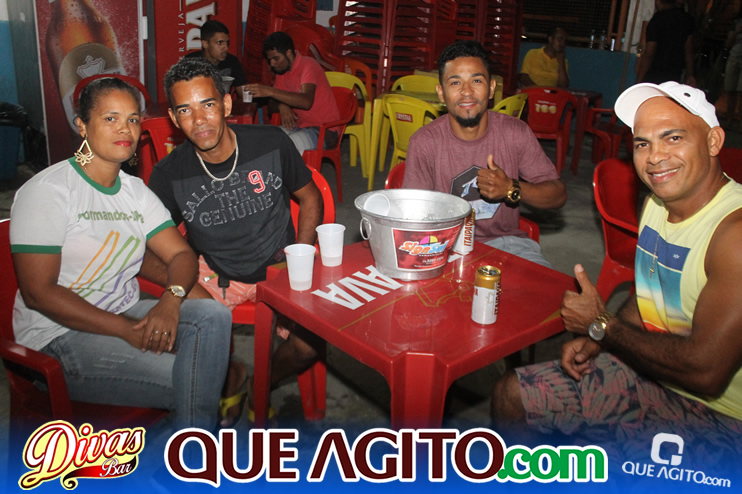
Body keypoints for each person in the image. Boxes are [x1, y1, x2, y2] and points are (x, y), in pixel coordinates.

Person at [491, 81, 742, 461]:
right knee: (513, 395)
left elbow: (706, 372)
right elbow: (651, 293)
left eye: (673, 138)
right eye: (642, 144)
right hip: (658, 378)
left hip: (722, 418)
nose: (655, 157)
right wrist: (599, 336)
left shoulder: (733, 235)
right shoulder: (657, 203)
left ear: (713, 141)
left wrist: (604, 326)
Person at [9, 77, 232, 431]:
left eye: (132, 119)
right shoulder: (49, 191)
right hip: (57, 338)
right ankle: (194, 454)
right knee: (193, 378)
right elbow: (38, 293)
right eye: (110, 118)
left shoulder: (134, 192)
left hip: (123, 312)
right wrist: (125, 330)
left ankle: (186, 446)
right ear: (82, 125)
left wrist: (171, 300)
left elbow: (181, 255)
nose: (124, 128)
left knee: (214, 316)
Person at [144, 58, 324, 426]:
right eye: (185, 110)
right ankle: (233, 376)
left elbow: (310, 198)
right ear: (174, 118)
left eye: (208, 104)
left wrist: (299, 261)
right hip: (217, 274)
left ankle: (261, 384)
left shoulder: (270, 142)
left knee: (309, 346)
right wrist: (185, 291)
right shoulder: (169, 174)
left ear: (226, 104)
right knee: (177, 339)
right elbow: (144, 250)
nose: (199, 119)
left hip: (280, 268)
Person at [402, 40, 567, 268]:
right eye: (455, 82)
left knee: (548, 290)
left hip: (508, 245)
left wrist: (510, 188)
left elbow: (558, 195)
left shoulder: (515, 132)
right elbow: (412, 215)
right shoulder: (424, 142)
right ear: (441, 93)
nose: (467, 91)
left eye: (477, 81)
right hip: (444, 248)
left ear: (491, 89)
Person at [244, 31, 340, 155]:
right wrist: (282, 105)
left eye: (276, 58)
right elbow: (271, 107)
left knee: (285, 145)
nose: (272, 64)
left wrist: (270, 91)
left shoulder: (307, 65)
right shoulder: (282, 73)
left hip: (326, 131)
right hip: (300, 126)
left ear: (289, 53)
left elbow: (306, 102)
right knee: (266, 140)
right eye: (270, 60)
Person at [184, 19, 248, 99]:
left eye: (227, 43)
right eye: (219, 43)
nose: (225, 47)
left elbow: (243, 93)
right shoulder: (190, 63)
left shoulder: (232, 62)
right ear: (205, 44)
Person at [636, 0, 695, 85]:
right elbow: (689, 49)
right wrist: (690, 74)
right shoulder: (687, 19)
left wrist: (639, 81)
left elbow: (649, 54)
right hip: (675, 75)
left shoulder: (657, 20)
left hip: (655, 75)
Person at [723, 9, 742, 127]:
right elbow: (728, 43)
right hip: (734, 56)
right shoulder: (736, 22)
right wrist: (736, 32)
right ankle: (729, 119)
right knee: (730, 89)